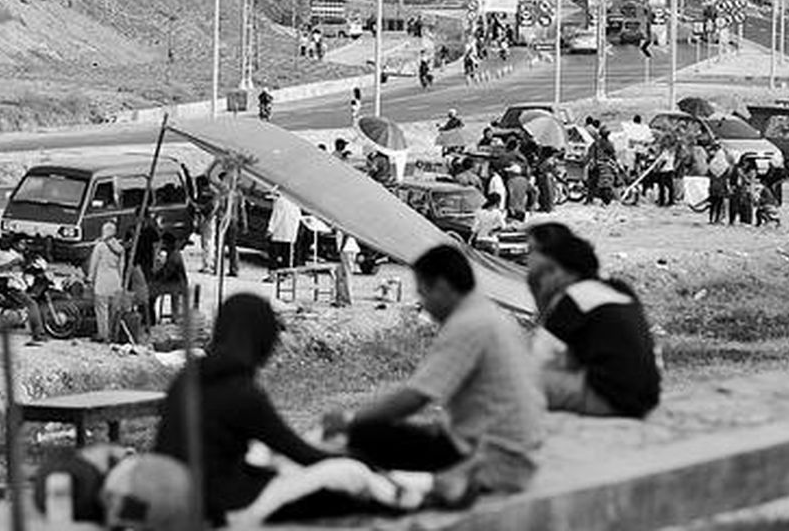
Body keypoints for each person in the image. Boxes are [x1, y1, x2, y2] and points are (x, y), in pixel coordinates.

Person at [155, 295, 469, 526]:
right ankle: (417, 494)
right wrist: (353, 458)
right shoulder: (241, 392)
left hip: (195, 495)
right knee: (348, 472)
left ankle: (415, 484)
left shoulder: (191, 375)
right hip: (232, 507)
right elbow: (301, 454)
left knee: (315, 444)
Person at [323, 245, 544, 496]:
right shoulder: (492, 316)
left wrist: (350, 419)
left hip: (491, 457)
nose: (424, 305)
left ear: (442, 287)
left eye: (424, 294)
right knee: (402, 431)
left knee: (365, 434)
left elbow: (416, 397)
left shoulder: (468, 325)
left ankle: (397, 490)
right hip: (517, 447)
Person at [525, 224, 660, 418]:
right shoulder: (618, 287)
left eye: (532, 251)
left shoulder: (574, 298)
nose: (529, 259)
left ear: (558, 269)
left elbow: (539, 357)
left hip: (612, 398)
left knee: (519, 378)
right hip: (645, 395)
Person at [89, 221, 126, 343]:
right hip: (115, 281)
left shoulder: (100, 246)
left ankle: (103, 335)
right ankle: (112, 334)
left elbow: (93, 265)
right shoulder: (120, 248)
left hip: (102, 281)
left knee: (101, 310)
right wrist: (120, 283)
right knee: (113, 311)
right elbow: (121, 268)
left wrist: (90, 278)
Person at [150, 233, 189, 321]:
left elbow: (167, 273)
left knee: (152, 292)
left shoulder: (174, 255)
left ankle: (151, 315)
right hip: (175, 282)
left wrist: (156, 279)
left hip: (176, 284)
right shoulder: (173, 253)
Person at [264, 189, 302, 279]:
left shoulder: (280, 201)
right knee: (287, 255)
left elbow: (276, 216)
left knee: (273, 256)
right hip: (290, 235)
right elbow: (298, 218)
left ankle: (272, 275)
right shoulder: (295, 203)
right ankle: (286, 274)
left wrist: (270, 229)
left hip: (278, 233)